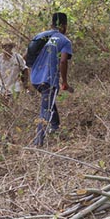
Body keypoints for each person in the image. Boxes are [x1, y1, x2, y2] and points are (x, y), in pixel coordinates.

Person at [29, 12, 74, 146]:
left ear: (51, 24)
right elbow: (63, 61)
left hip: (35, 79)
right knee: (46, 109)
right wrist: (64, 82)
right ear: (64, 26)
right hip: (48, 79)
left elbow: (27, 56)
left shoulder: (41, 36)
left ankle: (55, 128)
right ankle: (38, 142)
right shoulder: (64, 40)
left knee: (49, 103)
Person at [0, 42, 29, 106]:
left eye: (9, 46)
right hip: (2, 88)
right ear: (2, 48)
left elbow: (25, 69)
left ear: (12, 48)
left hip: (15, 87)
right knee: (3, 107)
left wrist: (25, 83)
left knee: (12, 105)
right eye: (5, 46)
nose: (7, 48)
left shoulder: (17, 57)